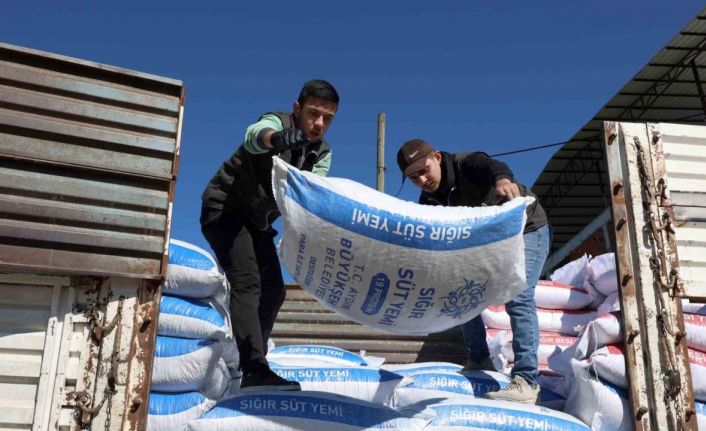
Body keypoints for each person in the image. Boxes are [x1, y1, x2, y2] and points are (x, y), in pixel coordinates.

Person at [200, 79, 339, 391]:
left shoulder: (322, 154)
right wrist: (276, 139)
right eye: (313, 114)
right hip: (225, 210)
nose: (319, 124)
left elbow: (309, 195)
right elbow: (254, 136)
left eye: (327, 118)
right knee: (247, 281)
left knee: (274, 291)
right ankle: (254, 369)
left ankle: (249, 364)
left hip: (258, 224)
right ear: (297, 109)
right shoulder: (277, 122)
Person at [396, 138, 550, 404]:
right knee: (458, 291)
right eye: (413, 178)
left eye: (424, 170)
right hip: (488, 241)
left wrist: (502, 180)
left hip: (527, 228)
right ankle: (479, 359)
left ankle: (526, 381)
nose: (421, 180)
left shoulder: (466, 164)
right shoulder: (428, 202)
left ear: (437, 157)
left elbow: (493, 166)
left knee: (518, 295)